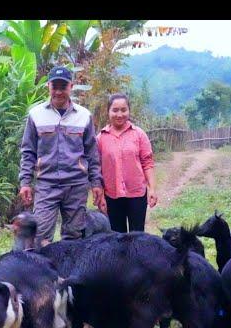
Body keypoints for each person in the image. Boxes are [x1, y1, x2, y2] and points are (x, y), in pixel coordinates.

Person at [18, 66, 104, 246]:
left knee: (74, 236)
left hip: (76, 186)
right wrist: (25, 182)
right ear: (48, 86)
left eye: (63, 87)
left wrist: (96, 183)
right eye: (54, 86)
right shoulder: (36, 115)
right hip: (46, 185)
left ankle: (67, 274)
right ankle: (44, 274)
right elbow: (28, 152)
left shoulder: (83, 116)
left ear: (71, 87)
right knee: (40, 236)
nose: (58, 92)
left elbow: (91, 153)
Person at [96, 93, 157, 233]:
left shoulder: (139, 134)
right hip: (112, 195)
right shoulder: (100, 139)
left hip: (137, 194)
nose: (119, 114)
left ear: (129, 111)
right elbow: (96, 169)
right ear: (108, 112)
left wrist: (152, 189)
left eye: (123, 110)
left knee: (137, 236)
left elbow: (147, 162)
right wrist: (100, 196)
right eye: (115, 110)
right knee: (117, 237)